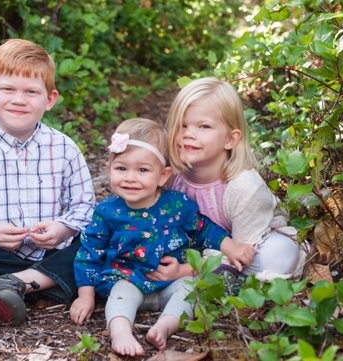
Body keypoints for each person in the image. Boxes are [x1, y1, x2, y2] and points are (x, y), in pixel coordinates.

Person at [0, 38, 96, 326]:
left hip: (54, 249)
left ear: (49, 99)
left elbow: (85, 208)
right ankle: (48, 283)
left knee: (100, 240)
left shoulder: (64, 148)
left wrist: (62, 229)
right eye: (8, 89)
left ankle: (13, 285)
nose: (19, 100)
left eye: (31, 92)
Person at [69, 118, 231, 356]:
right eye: (121, 168)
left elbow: (203, 230)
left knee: (191, 289)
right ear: (109, 169)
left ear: (163, 176)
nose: (130, 178)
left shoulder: (178, 205)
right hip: (127, 279)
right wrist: (85, 295)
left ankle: (166, 325)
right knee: (120, 295)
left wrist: (229, 245)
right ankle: (121, 330)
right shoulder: (107, 211)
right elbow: (89, 252)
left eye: (143, 170)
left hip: (170, 282)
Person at [146, 77, 306, 284]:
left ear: (230, 139)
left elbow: (243, 252)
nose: (188, 134)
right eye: (182, 125)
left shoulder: (244, 186)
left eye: (203, 126)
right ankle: (196, 274)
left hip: (250, 245)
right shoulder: (173, 176)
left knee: (277, 255)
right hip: (197, 248)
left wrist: (185, 270)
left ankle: (197, 274)